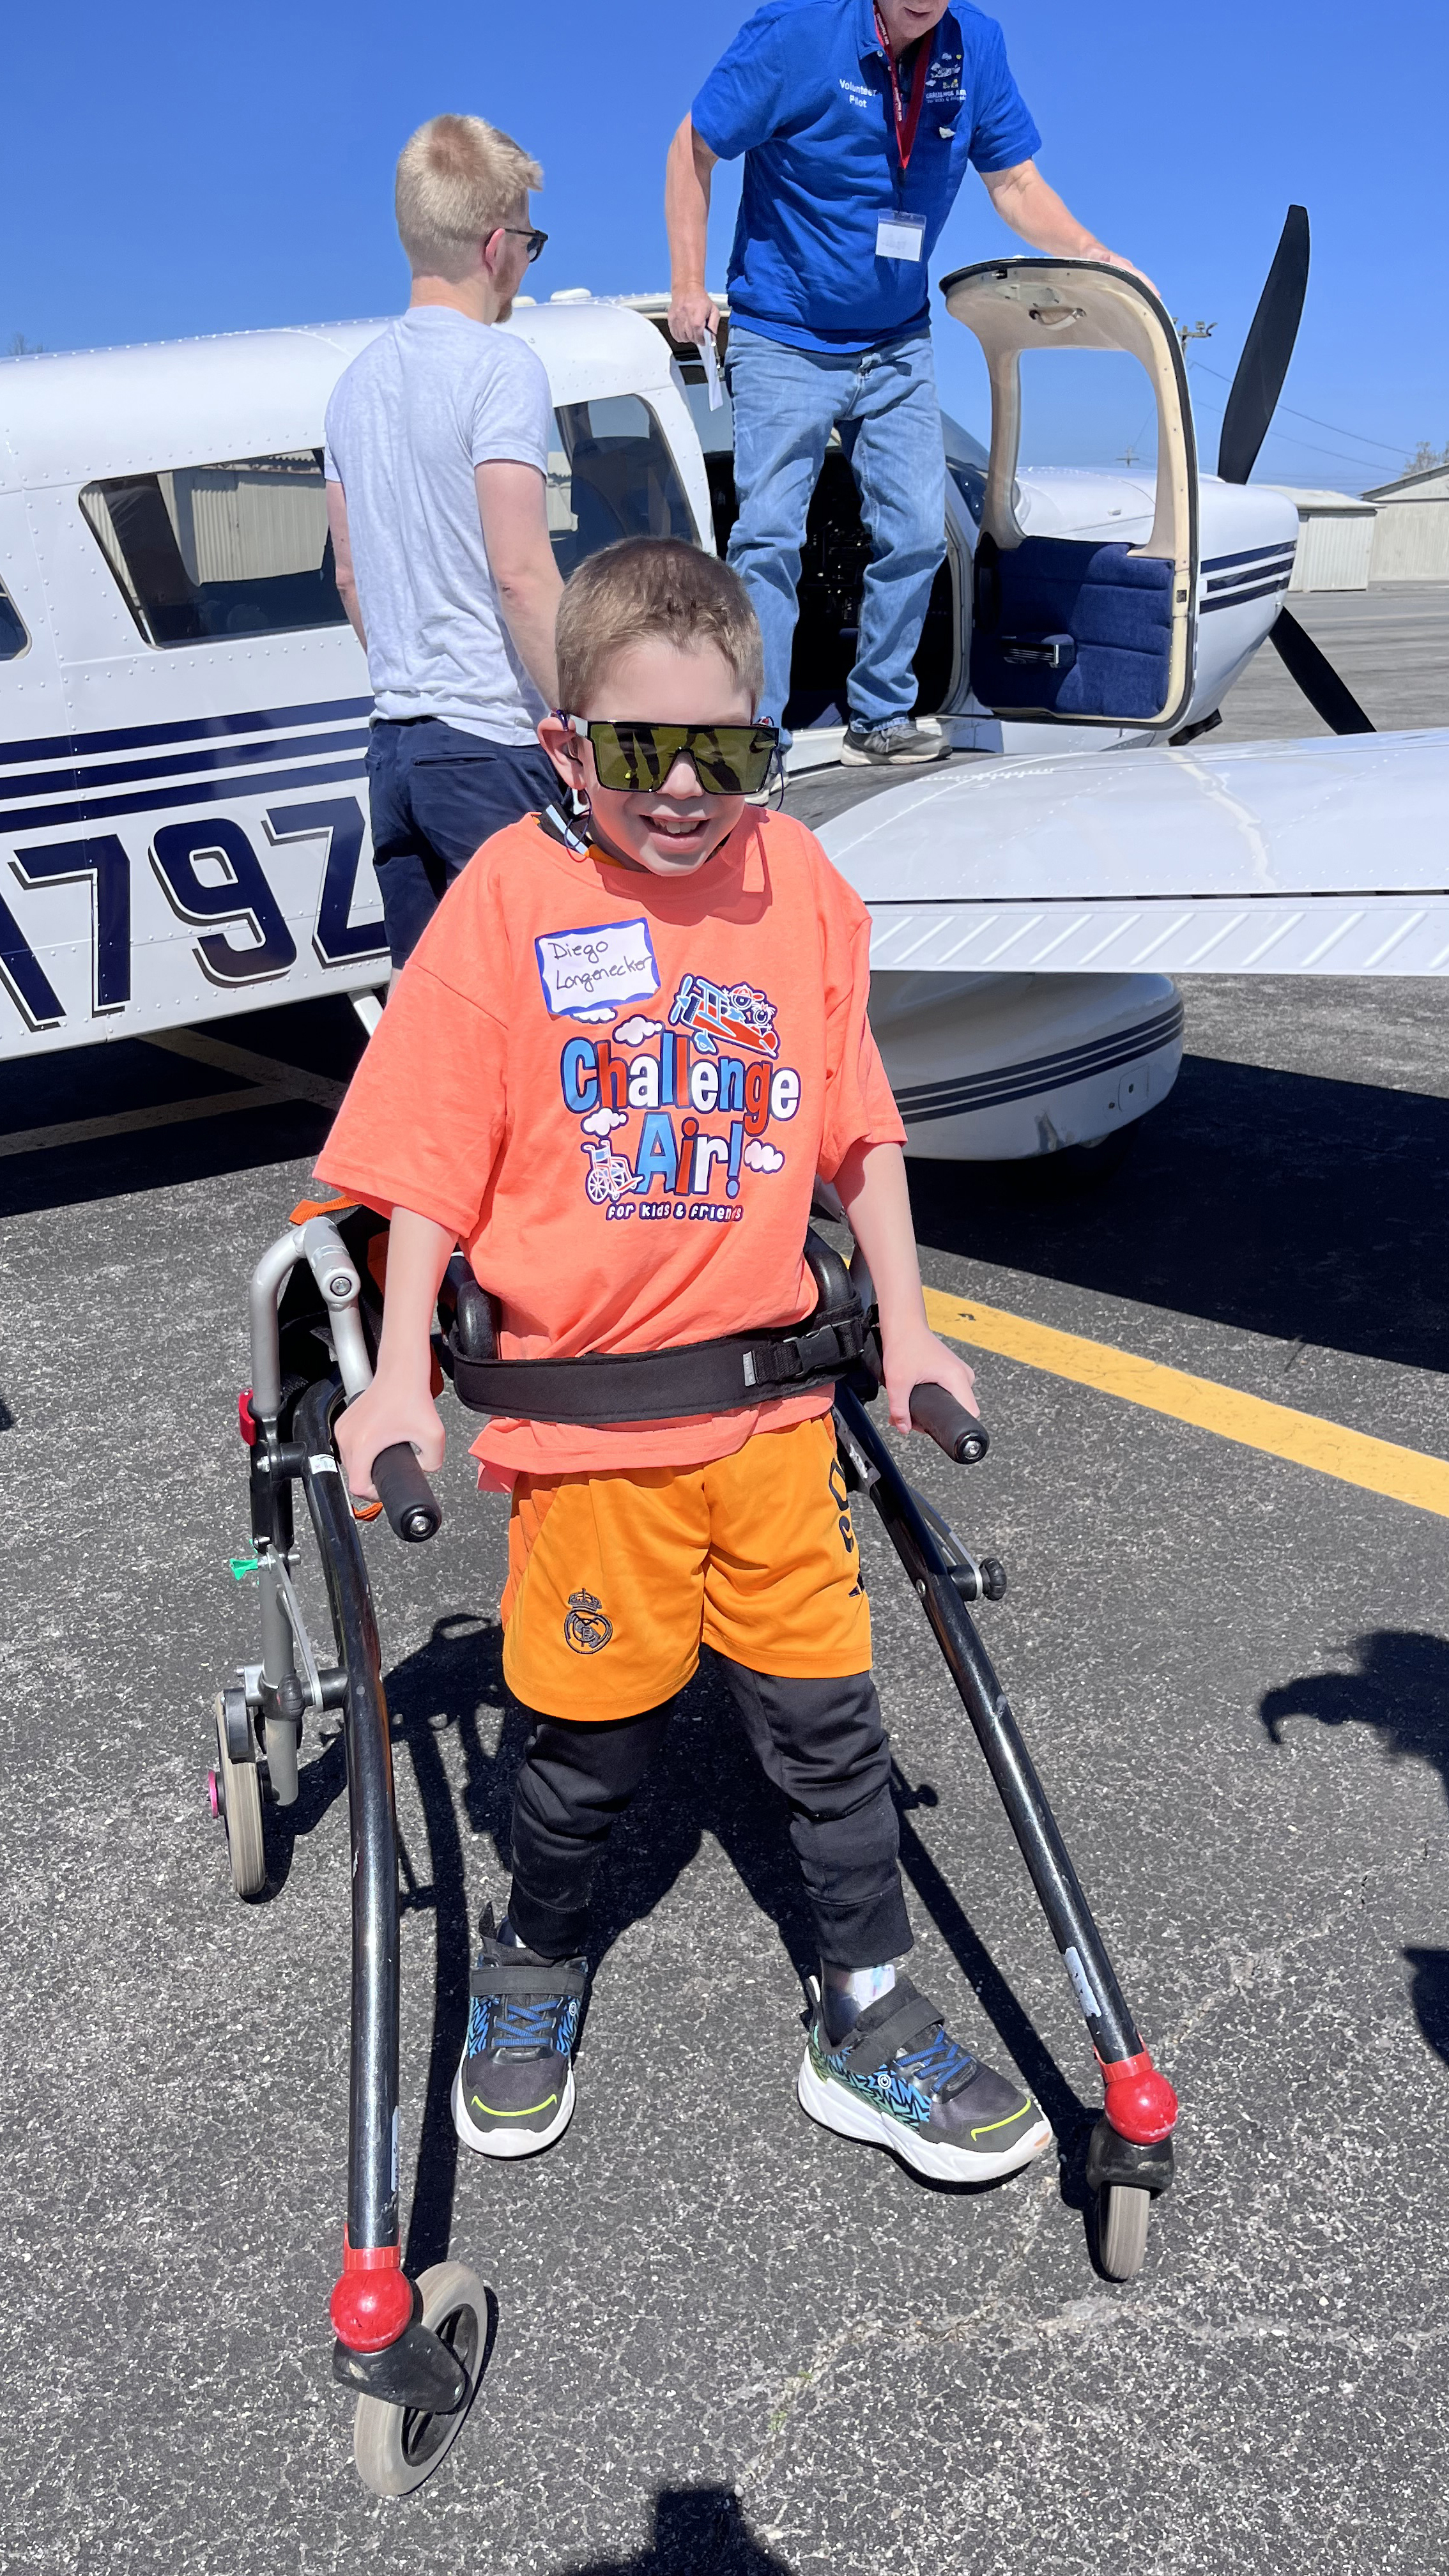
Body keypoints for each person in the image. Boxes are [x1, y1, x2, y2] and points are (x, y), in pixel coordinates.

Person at [319, 535, 1052, 2188]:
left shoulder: (798, 887)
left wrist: (912, 1324)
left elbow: (858, 1129)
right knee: (587, 1744)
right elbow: (427, 1157)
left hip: (772, 1417)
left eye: (723, 753)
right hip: (586, 1438)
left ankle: (865, 2009)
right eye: (640, 749)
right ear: (566, 745)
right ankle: (535, 1953)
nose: (681, 791)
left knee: (832, 1727)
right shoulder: (510, 899)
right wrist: (396, 1376)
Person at [666, 0, 1145, 765]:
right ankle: (756, 736)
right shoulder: (798, 30)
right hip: (784, 334)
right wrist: (688, 284)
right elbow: (693, 145)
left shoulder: (976, 46)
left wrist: (1094, 254)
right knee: (769, 540)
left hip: (896, 341)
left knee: (922, 531)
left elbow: (1016, 182)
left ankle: (880, 715)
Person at [325, 113, 563, 967]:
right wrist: (587, 726)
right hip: (491, 746)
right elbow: (521, 575)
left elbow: (351, 580)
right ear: (498, 248)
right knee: (553, 1001)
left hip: (394, 750)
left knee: (436, 1013)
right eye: (530, 243)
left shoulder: (352, 388)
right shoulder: (502, 368)